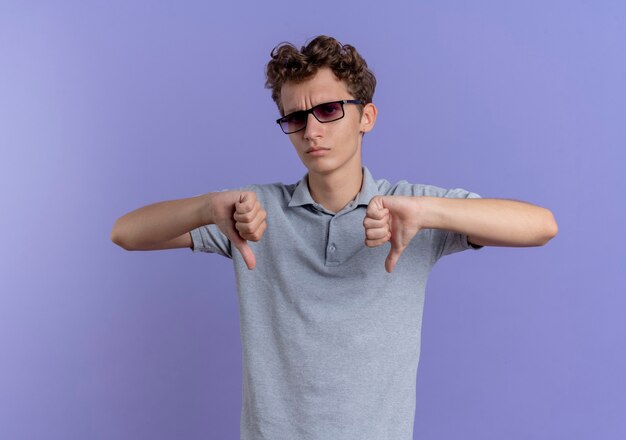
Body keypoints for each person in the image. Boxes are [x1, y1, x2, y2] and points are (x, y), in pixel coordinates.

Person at [111, 35, 558, 440]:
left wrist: (425, 212)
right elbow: (126, 233)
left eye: (328, 110)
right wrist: (207, 208)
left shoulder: (409, 207)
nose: (312, 131)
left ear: (367, 117)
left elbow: (541, 226)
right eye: (294, 117)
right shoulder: (250, 213)